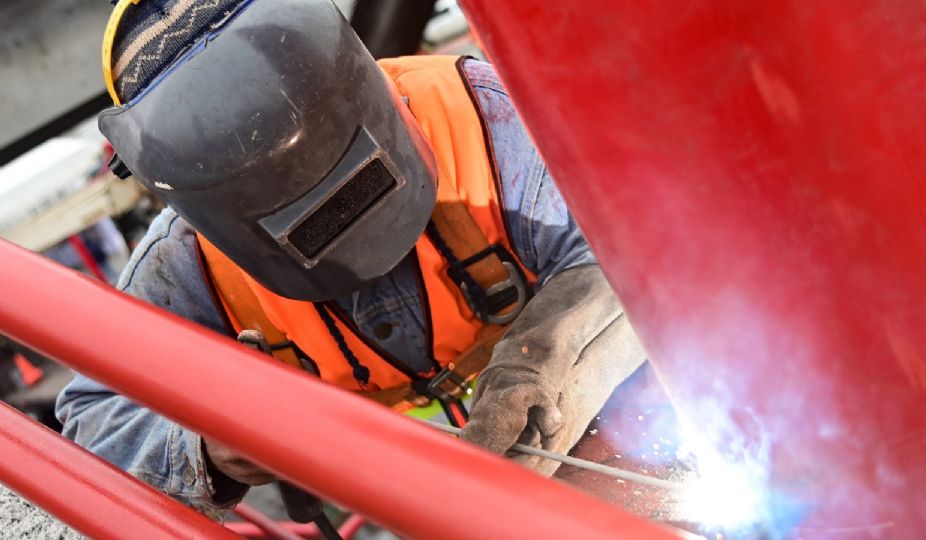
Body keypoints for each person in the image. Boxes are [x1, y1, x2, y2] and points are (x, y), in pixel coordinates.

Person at [56, 0, 646, 517]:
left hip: (595, 420)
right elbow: (91, 424)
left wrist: (539, 367)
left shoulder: (477, 116)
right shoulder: (185, 266)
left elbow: (629, 252)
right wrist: (208, 452)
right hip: (400, 483)